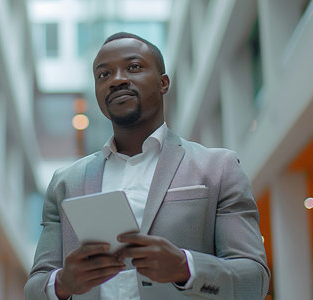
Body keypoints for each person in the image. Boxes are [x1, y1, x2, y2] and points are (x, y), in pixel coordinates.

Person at [24, 32, 270, 300]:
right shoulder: (65, 182)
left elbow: (254, 280)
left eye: (133, 67)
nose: (117, 80)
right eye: (103, 75)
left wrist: (185, 268)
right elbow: (35, 287)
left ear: (163, 83)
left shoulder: (218, 167)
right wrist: (62, 283)